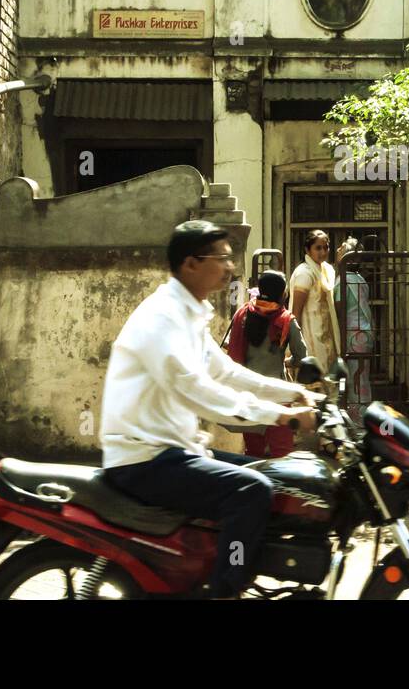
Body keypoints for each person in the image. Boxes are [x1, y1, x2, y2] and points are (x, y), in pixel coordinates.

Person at [101, 220, 320, 599]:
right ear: (190, 264)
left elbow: (225, 371)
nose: (229, 267)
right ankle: (225, 590)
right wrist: (279, 415)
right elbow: (200, 391)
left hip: (175, 449)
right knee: (252, 491)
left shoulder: (190, 312)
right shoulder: (163, 317)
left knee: (277, 475)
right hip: (144, 459)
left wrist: (292, 392)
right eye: (220, 258)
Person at [225, 270, 308, 459]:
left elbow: (233, 348)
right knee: (282, 454)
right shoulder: (286, 320)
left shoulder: (242, 314)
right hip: (277, 396)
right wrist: (288, 361)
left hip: (248, 394)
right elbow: (302, 357)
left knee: (253, 454)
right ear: (283, 293)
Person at [334, 237, 375, 426]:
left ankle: (357, 419)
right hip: (364, 334)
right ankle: (363, 412)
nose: (337, 251)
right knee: (362, 376)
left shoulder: (342, 282)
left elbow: (339, 312)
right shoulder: (360, 280)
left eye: (341, 249)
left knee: (353, 378)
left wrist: (338, 338)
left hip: (351, 335)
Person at [290, 229, 341, 376]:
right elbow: (296, 313)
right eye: (318, 248)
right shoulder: (305, 273)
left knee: (328, 378)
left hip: (326, 332)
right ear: (307, 249)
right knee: (313, 379)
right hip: (310, 334)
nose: (323, 252)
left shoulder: (327, 270)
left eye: (326, 247)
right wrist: (297, 344)